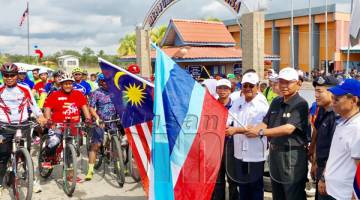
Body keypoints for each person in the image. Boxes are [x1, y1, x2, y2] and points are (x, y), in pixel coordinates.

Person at [245, 67, 309, 200]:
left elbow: (288, 128)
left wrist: (260, 132)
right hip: (275, 155)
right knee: (277, 193)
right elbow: (265, 122)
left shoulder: (300, 103)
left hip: (291, 155)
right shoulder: (276, 102)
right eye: (281, 82)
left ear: (297, 84)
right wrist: (254, 130)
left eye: (288, 82)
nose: (284, 86)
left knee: (292, 193)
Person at [0, 63, 46, 194]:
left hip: (23, 125)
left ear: (16, 75)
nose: (9, 78)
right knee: (3, 156)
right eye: (6, 75)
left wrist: (40, 116)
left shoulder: (24, 88)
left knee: (26, 154)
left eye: (12, 75)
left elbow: (33, 105)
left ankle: (32, 180)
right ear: (3, 76)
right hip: (4, 127)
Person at [226, 72, 269, 200]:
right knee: (243, 185)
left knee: (255, 187)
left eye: (251, 85)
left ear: (257, 86)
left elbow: (254, 130)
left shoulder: (262, 105)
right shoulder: (238, 102)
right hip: (240, 152)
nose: (248, 88)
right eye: (245, 86)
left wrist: (235, 130)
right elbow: (228, 118)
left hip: (254, 153)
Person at [42, 72, 92, 170]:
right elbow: (47, 108)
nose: (68, 85)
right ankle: (47, 158)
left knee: (73, 147)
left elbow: (84, 108)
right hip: (57, 125)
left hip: (74, 125)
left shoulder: (78, 94)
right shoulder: (54, 94)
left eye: (70, 83)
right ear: (61, 84)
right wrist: (48, 120)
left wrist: (88, 119)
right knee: (54, 142)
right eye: (65, 83)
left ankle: (69, 174)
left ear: (73, 84)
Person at [323, 79, 360, 199]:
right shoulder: (343, 121)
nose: (332, 102)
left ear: (354, 100)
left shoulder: (357, 128)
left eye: (337, 99)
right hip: (333, 191)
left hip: (344, 195)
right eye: (332, 97)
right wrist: (324, 177)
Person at [308, 76, 339, 200]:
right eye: (315, 91)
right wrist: (314, 161)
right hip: (321, 167)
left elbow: (334, 151)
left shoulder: (336, 116)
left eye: (319, 91)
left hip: (331, 171)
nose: (316, 95)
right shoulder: (322, 109)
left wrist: (324, 177)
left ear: (331, 92)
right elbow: (316, 131)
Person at [85, 73, 118, 181]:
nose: (106, 83)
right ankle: (90, 170)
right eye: (103, 81)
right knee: (96, 145)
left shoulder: (116, 91)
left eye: (107, 81)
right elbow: (91, 107)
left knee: (117, 143)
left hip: (114, 120)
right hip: (101, 121)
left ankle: (119, 165)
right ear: (99, 82)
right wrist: (97, 118)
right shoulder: (96, 93)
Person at [211, 78, 239, 200]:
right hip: (215, 147)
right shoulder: (211, 104)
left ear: (230, 90)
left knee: (232, 179)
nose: (222, 91)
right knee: (217, 180)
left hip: (231, 146)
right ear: (216, 90)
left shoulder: (236, 106)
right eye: (220, 88)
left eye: (225, 88)